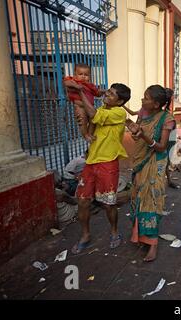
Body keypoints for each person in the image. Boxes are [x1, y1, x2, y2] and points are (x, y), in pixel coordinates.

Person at [72, 83, 131, 254]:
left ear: (120, 101)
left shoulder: (119, 112)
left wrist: (82, 90)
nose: (107, 94)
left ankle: (114, 231)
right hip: (91, 162)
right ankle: (85, 235)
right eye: (109, 91)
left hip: (108, 163)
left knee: (108, 203)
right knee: (82, 201)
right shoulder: (104, 108)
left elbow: (93, 114)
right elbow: (90, 126)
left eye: (112, 94)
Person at [126, 85, 176, 262]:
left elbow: (161, 146)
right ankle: (141, 236)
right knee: (138, 197)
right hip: (140, 160)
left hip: (155, 163)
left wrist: (143, 136)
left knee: (152, 200)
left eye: (146, 98)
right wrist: (134, 133)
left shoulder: (167, 119)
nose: (142, 100)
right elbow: (137, 135)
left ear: (155, 104)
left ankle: (153, 243)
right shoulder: (142, 114)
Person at [63, 63, 105, 142]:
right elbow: (66, 83)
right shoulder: (73, 81)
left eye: (86, 75)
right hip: (80, 107)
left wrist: (105, 91)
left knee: (94, 120)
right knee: (82, 121)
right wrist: (76, 86)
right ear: (75, 75)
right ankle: (85, 135)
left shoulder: (90, 85)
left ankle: (90, 134)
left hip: (90, 107)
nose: (83, 76)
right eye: (80, 74)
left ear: (89, 76)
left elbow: (97, 93)